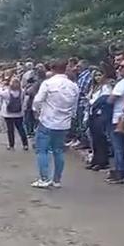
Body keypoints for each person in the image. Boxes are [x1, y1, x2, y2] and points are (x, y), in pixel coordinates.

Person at [31, 60, 79, 189]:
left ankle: (44, 178)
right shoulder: (73, 86)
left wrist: (36, 111)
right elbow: (75, 105)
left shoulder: (48, 83)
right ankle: (57, 180)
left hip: (47, 120)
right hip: (64, 123)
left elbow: (37, 100)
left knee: (42, 151)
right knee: (59, 151)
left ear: (52, 69)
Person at [86, 70, 113, 170]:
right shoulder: (94, 88)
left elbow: (103, 100)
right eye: (96, 75)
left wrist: (93, 103)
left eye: (100, 75)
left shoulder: (106, 87)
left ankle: (102, 161)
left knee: (100, 138)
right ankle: (95, 159)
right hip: (91, 113)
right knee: (94, 139)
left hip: (100, 114)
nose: (97, 77)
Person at [0, 78, 28, 150]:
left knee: (10, 130)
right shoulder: (22, 92)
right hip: (19, 113)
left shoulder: (7, 92)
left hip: (8, 114)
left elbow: (0, 93)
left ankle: (11, 145)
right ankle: (25, 144)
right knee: (21, 128)